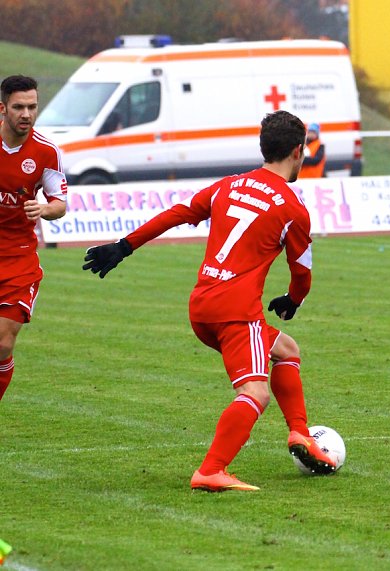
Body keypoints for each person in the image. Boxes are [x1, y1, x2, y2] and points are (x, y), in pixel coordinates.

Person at [82, 110, 337, 492]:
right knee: (255, 393)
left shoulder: (228, 185)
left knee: (285, 349)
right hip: (236, 312)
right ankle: (212, 470)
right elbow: (302, 273)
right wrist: (293, 300)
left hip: (201, 305)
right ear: (298, 151)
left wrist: (124, 246)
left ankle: (300, 433)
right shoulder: (292, 208)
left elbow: (177, 213)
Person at [0, 75, 67, 404]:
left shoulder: (46, 151)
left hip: (19, 260)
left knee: (2, 344)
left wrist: (43, 208)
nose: (26, 114)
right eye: (19, 107)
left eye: (32, 106)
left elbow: (60, 204)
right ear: (3, 108)